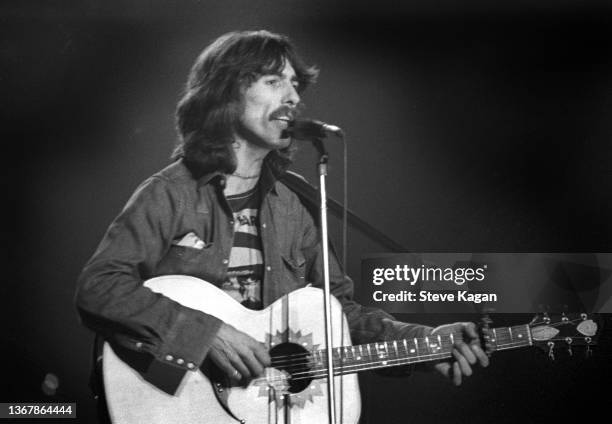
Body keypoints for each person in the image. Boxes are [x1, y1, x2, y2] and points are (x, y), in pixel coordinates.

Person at [75, 29, 488, 419]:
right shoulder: (170, 193)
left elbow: (339, 317)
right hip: (172, 403)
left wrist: (427, 340)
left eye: (295, 85)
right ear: (226, 92)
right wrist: (208, 335)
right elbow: (100, 288)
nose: (293, 97)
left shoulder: (296, 203)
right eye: (274, 81)